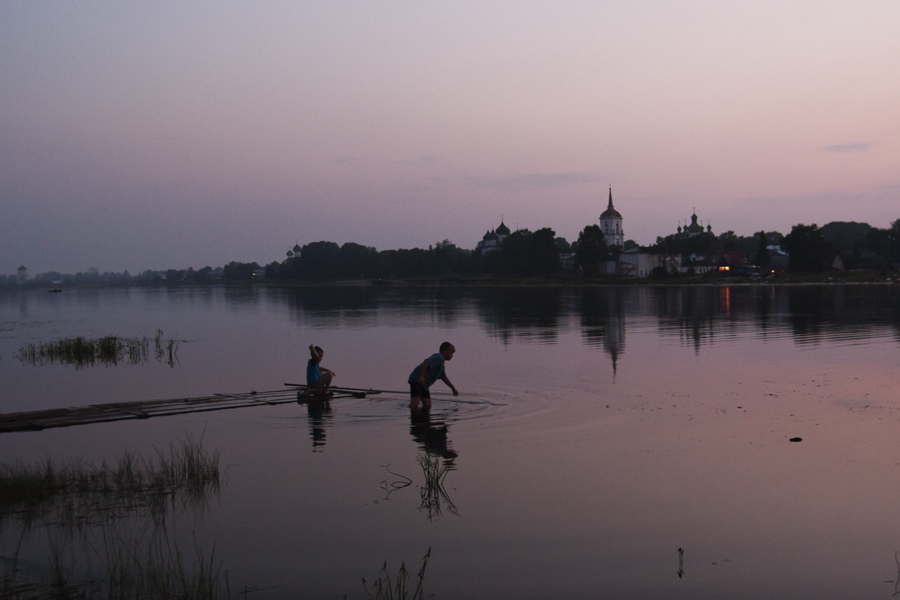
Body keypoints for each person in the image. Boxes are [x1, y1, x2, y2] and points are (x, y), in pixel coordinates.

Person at [408, 342, 458, 409]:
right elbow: (426, 362)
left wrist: (452, 388)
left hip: (424, 384)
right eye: (451, 353)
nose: (452, 355)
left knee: (427, 404)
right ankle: (413, 416)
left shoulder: (441, 364)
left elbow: (443, 377)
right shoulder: (439, 357)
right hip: (417, 379)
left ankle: (423, 418)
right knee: (415, 403)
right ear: (444, 351)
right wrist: (421, 376)